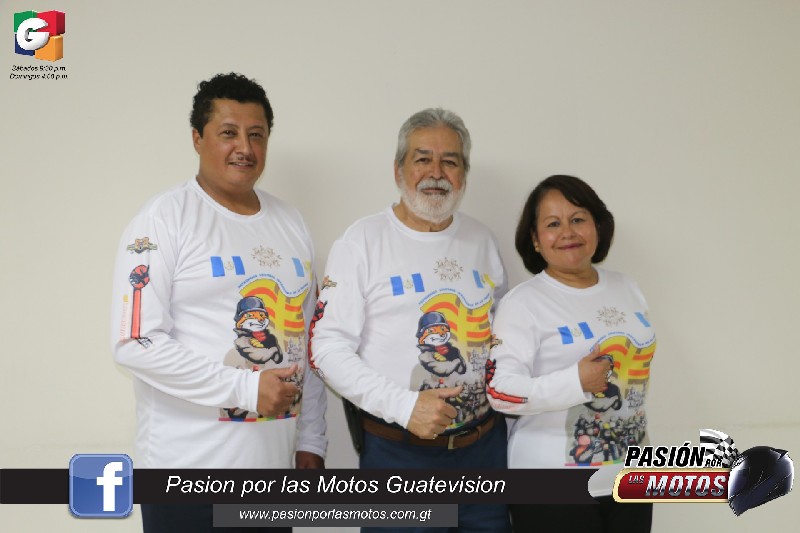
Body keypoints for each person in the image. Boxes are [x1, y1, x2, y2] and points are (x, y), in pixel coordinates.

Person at [111, 73, 327, 533]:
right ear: (197, 138)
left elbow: (307, 339)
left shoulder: (291, 222)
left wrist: (312, 438)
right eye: (229, 133)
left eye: (257, 135)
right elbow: (134, 343)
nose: (244, 148)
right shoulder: (163, 219)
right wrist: (245, 389)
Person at [309, 108, 511, 533]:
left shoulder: (482, 241)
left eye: (450, 161)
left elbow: (504, 341)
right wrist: (405, 407)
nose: (436, 173)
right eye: (422, 159)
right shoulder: (362, 242)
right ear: (398, 169)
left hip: (484, 456)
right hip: (399, 457)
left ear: (464, 174)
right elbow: (326, 349)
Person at [486, 175, 655, 532]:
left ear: (598, 226)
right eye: (552, 224)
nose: (568, 232)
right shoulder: (523, 303)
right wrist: (575, 382)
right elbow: (500, 390)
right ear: (535, 240)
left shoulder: (627, 288)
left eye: (578, 219)